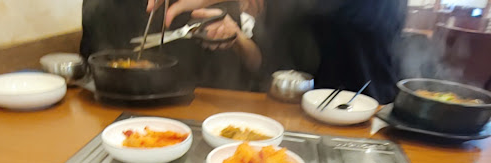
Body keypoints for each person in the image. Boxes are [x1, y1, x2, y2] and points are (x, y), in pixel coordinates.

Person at [147, 0, 407, 103]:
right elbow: (269, 65)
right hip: (297, 114)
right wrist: (237, 37)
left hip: (369, 115)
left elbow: (324, 9)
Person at [80, 0, 261, 91]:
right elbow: (92, 67)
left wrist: (237, 38)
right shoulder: (103, 6)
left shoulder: (214, 4)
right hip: (113, 112)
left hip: (204, 113)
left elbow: (258, 64)